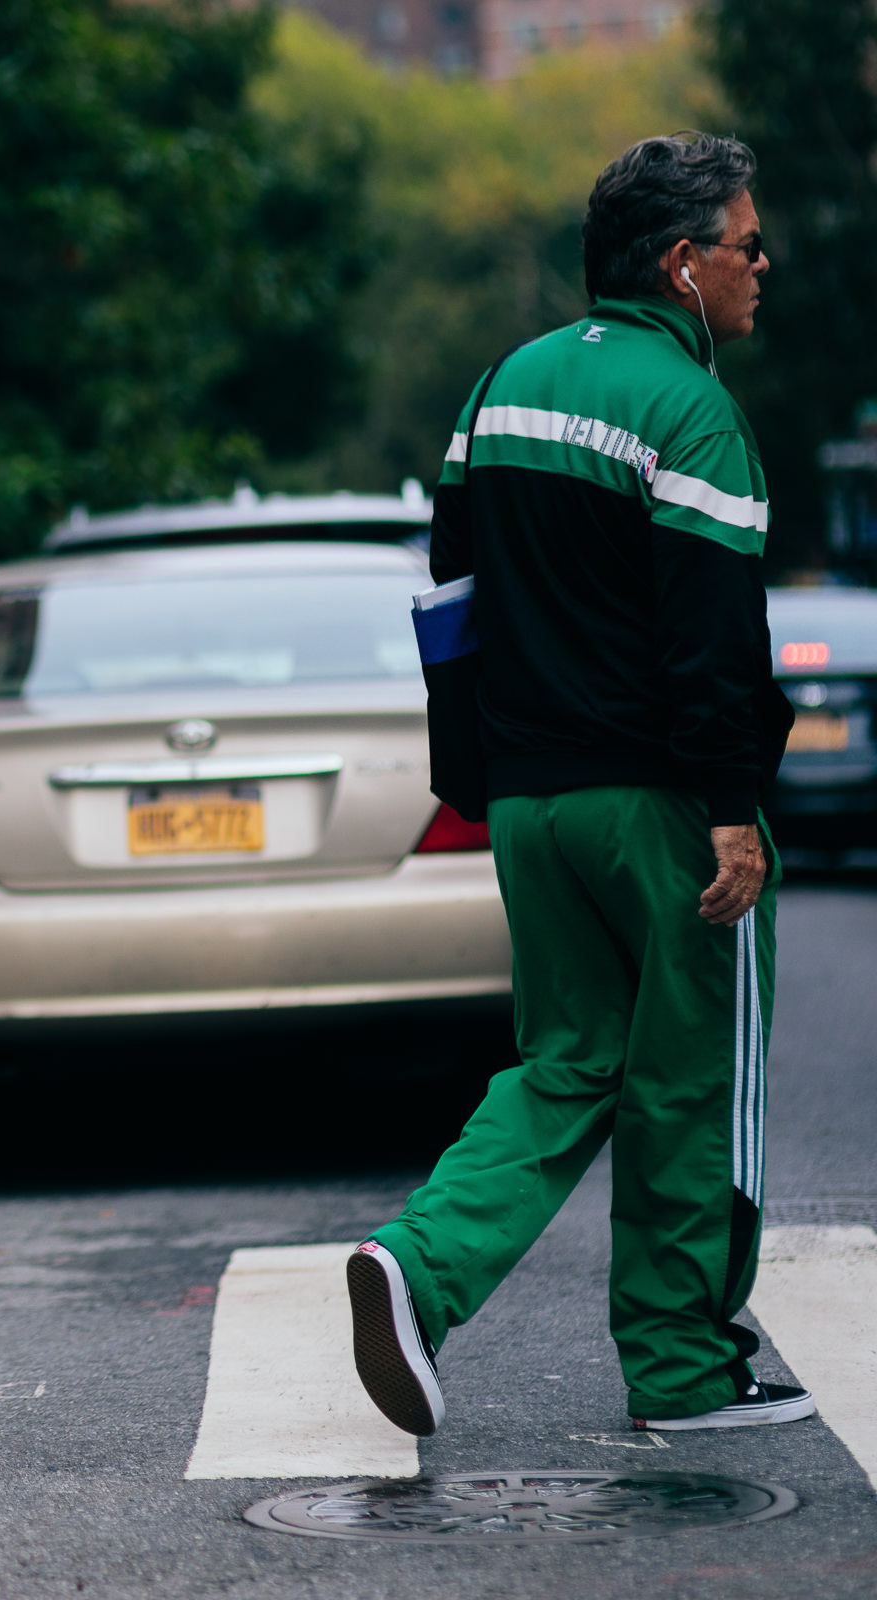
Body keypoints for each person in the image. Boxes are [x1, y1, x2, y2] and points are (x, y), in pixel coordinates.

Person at [348, 133, 806, 1438]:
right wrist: (730, 804)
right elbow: (713, 632)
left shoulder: (498, 390)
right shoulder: (690, 409)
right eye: (743, 244)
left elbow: (449, 602)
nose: (760, 266)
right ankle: (683, 1372)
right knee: (691, 1077)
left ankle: (415, 1268)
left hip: (533, 806)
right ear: (679, 266)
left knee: (565, 1064)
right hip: (661, 808)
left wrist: (474, 775)